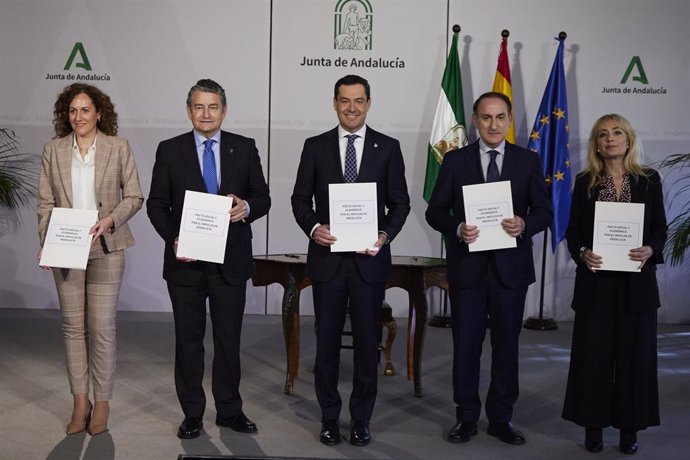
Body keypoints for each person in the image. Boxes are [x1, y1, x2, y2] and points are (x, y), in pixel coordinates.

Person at [425, 92, 552, 446]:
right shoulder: (454, 161)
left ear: (509, 120)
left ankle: (501, 418)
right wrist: (457, 229)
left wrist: (524, 224)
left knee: (507, 347)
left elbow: (544, 212)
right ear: (476, 121)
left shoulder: (528, 162)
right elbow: (434, 211)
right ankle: (465, 417)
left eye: (500, 117)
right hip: (468, 270)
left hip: (510, 272)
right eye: (485, 117)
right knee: (466, 346)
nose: (493, 124)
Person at [147, 79, 270, 439]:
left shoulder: (244, 148)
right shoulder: (169, 150)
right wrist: (175, 238)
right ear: (189, 111)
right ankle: (193, 414)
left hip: (230, 261)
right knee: (188, 341)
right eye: (198, 107)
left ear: (224, 110)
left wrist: (245, 207)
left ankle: (230, 410)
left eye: (213, 106)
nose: (206, 113)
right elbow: (157, 203)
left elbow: (262, 196)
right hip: (185, 263)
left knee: (228, 340)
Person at [291, 74, 410, 446]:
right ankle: (329, 417)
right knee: (325, 344)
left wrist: (384, 235)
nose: (352, 107)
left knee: (366, 344)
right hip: (327, 261)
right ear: (334, 103)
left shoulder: (388, 147)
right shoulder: (315, 146)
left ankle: (361, 419)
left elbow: (401, 203)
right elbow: (299, 200)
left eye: (359, 101)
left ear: (369, 103)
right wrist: (313, 228)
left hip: (368, 262)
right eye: (345, 100)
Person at [37, 83, 144, 435]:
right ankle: (79, 401)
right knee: (72, 328)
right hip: (67, 247)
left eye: (85, 110)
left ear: (99, 113)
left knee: (101, 328)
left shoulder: (118, 147)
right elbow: (45, 204)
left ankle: (102, 403)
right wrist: (48, 241)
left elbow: (134, 196)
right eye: (72, 111)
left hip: (106, 246)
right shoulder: (53, 150)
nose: (78, 117)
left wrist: (110, 219)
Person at [562, 114, 667, 455]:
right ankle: (593, 428)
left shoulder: (649, 180)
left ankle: (628, 429)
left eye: (617, 132)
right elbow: (573, 232)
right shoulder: (584, 182)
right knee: (594, 358)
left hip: (636, 285)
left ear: (628, 139)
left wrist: (651, 248)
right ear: (596, 143)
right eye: (603, 134)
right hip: (597, 283)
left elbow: (660, 230)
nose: (610, 139)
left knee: (634, 359)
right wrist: (582, 253)